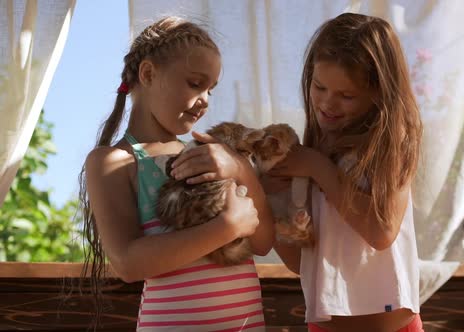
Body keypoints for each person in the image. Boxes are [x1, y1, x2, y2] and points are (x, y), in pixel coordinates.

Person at [80, 16, 274, 331]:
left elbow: (264, 241)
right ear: (148, 73)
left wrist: (241, 170)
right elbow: (128, 263)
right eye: (195, 84)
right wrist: (226, 228)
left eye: (211, 89)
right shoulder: (114, 161)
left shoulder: (208, 155)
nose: (205, 101)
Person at [267, 13, 424, 332]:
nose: (327, 103)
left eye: (346, 95)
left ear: (378, 92)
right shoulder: (314, 149)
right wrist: (270, 197)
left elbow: (381, 233)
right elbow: (300, 263)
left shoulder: (389, 145)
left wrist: (319, 169)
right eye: (319, 86)